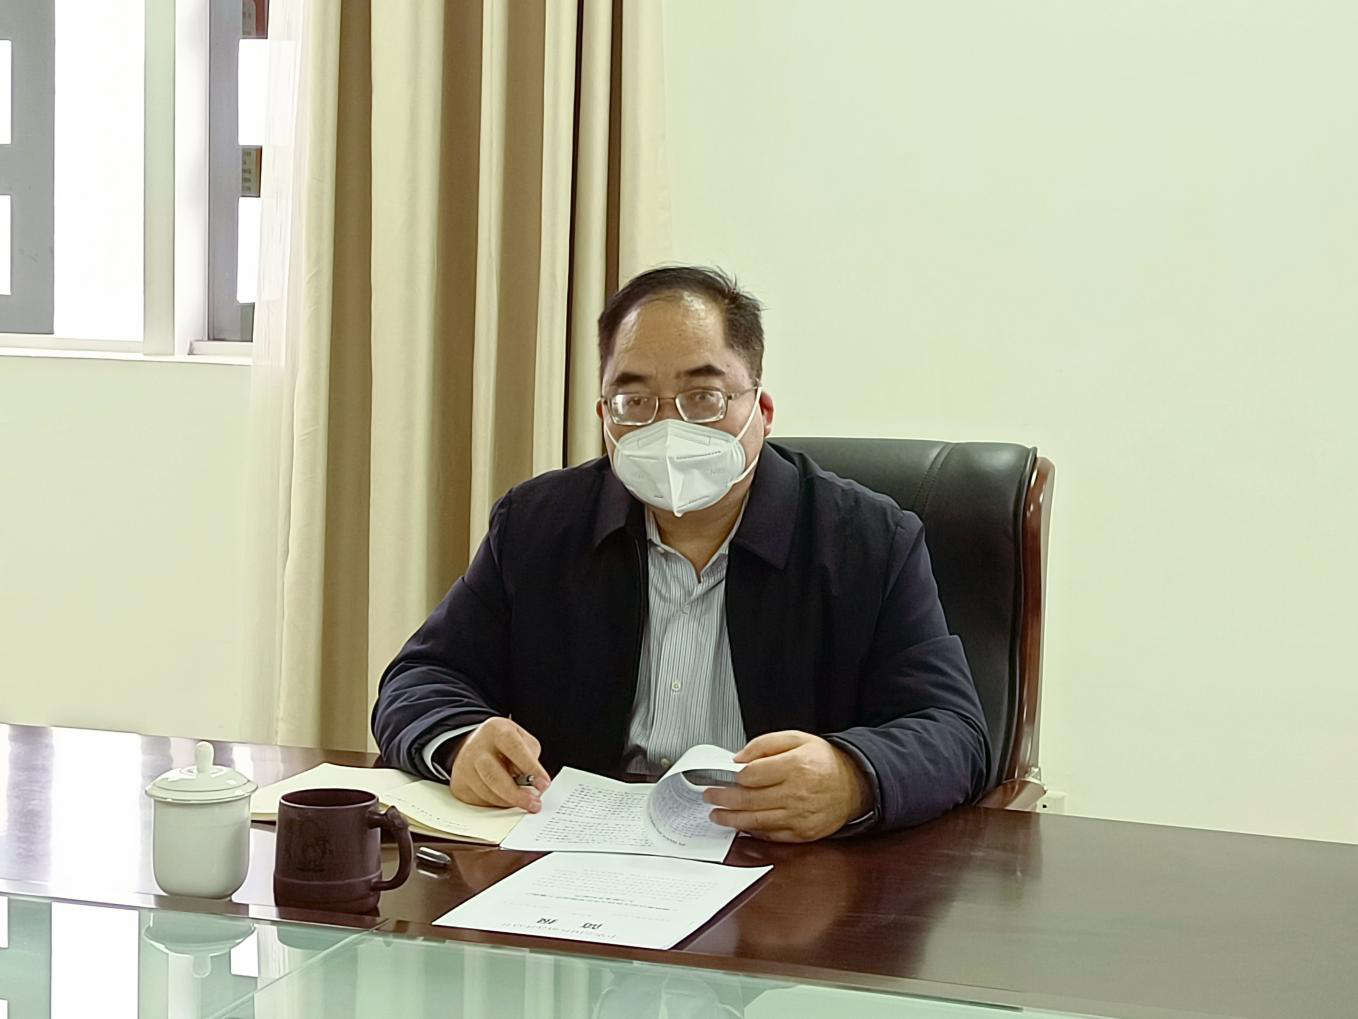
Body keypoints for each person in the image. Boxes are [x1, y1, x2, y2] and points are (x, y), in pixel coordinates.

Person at [371, 266, 990, 841]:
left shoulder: (869, 539)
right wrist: (460, 743)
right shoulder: (537, 525)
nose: (668, 429)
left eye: (704, 397)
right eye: (634, 401)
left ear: (761, 410)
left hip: (784, 868)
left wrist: (853, 776)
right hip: (578, 856)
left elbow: (954, 732)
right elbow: (423, 678)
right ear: (605, 418)